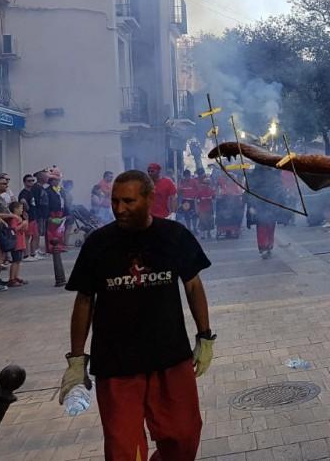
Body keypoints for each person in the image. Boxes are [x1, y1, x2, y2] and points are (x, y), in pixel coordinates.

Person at [61, 169, 214, 461]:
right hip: (116, 363)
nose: (120, 209)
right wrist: (76, 359)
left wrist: (205, 336)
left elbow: (193, 285)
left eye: (129, 201)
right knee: (123, 450)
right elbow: (84, 300)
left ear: (150, 198)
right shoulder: (98, 244)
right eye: (115, 201)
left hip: (169, 355)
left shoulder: (174, 236)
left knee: (184, 437)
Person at [246, 166, 284, 258]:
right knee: (262, 226)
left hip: (271, 204)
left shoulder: (273, 174)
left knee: (270, 226)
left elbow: (278, 188)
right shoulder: (255, 175)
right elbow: (250, 190)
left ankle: (268, 246)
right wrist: (251, 205)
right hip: (259, 204)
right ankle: (263, 247)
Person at [45, 168, 69, 286]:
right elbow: (46, 204)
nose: (57, 182)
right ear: (50, 181)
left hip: (61, 212)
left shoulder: (61, 190)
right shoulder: (47, 191)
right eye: (55, 180)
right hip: (52, 213)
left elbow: (65, 201)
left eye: (58, 180)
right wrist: (49, 217)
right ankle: (52, 248)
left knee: (60, 231)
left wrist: (66, 213)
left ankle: (59, 246)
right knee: (52, 232)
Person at [18, 173, 44, 261]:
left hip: (33, 217)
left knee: (35, 235)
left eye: (33, 180)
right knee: (27, 236)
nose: (31, 182)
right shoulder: (24, 192)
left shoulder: (31, 192)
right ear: (24, 182)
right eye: (29, 181)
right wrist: (26, 208)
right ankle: (26, 255)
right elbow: (22, 201)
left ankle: (33, 253)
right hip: (28, 218)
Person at [6, 200, 27, 287]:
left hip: (21, 242)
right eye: (20, 208)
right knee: (15, 261)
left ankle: (16, 276)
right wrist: (22, 224)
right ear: (15, 209)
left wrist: (25, 223)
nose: (22, 210)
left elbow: (23, 229)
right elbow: (13, 229)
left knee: (18, 261)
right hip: (16, 242)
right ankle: (11, 279)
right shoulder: (14, 219)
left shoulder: (19, 218)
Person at [176, 169, 199, 234]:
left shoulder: (194, 181)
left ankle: (195, 228)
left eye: (187, 176)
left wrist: (196, 197)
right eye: (185, 176)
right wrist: (180, 185)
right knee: (187, 216)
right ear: (184, 176)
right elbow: (178, 191)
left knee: (194, 215)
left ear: (189, 175)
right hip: (185, 201)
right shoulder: (182, 182)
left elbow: (198, 189)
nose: (186, 177)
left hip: (192, 200)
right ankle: (189, 229)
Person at [195, 170, 215, 241]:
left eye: (207, 183)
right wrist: (197, 208)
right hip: (202, 209)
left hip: (209, 208)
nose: (206, 185)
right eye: (205, 183)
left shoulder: (211, 190)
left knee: (209, 221)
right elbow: (197, 199)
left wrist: (210, 198)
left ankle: (209, 233)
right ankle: (203, 235)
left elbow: (213, 197)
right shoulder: (200, 191)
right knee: (202, 222)